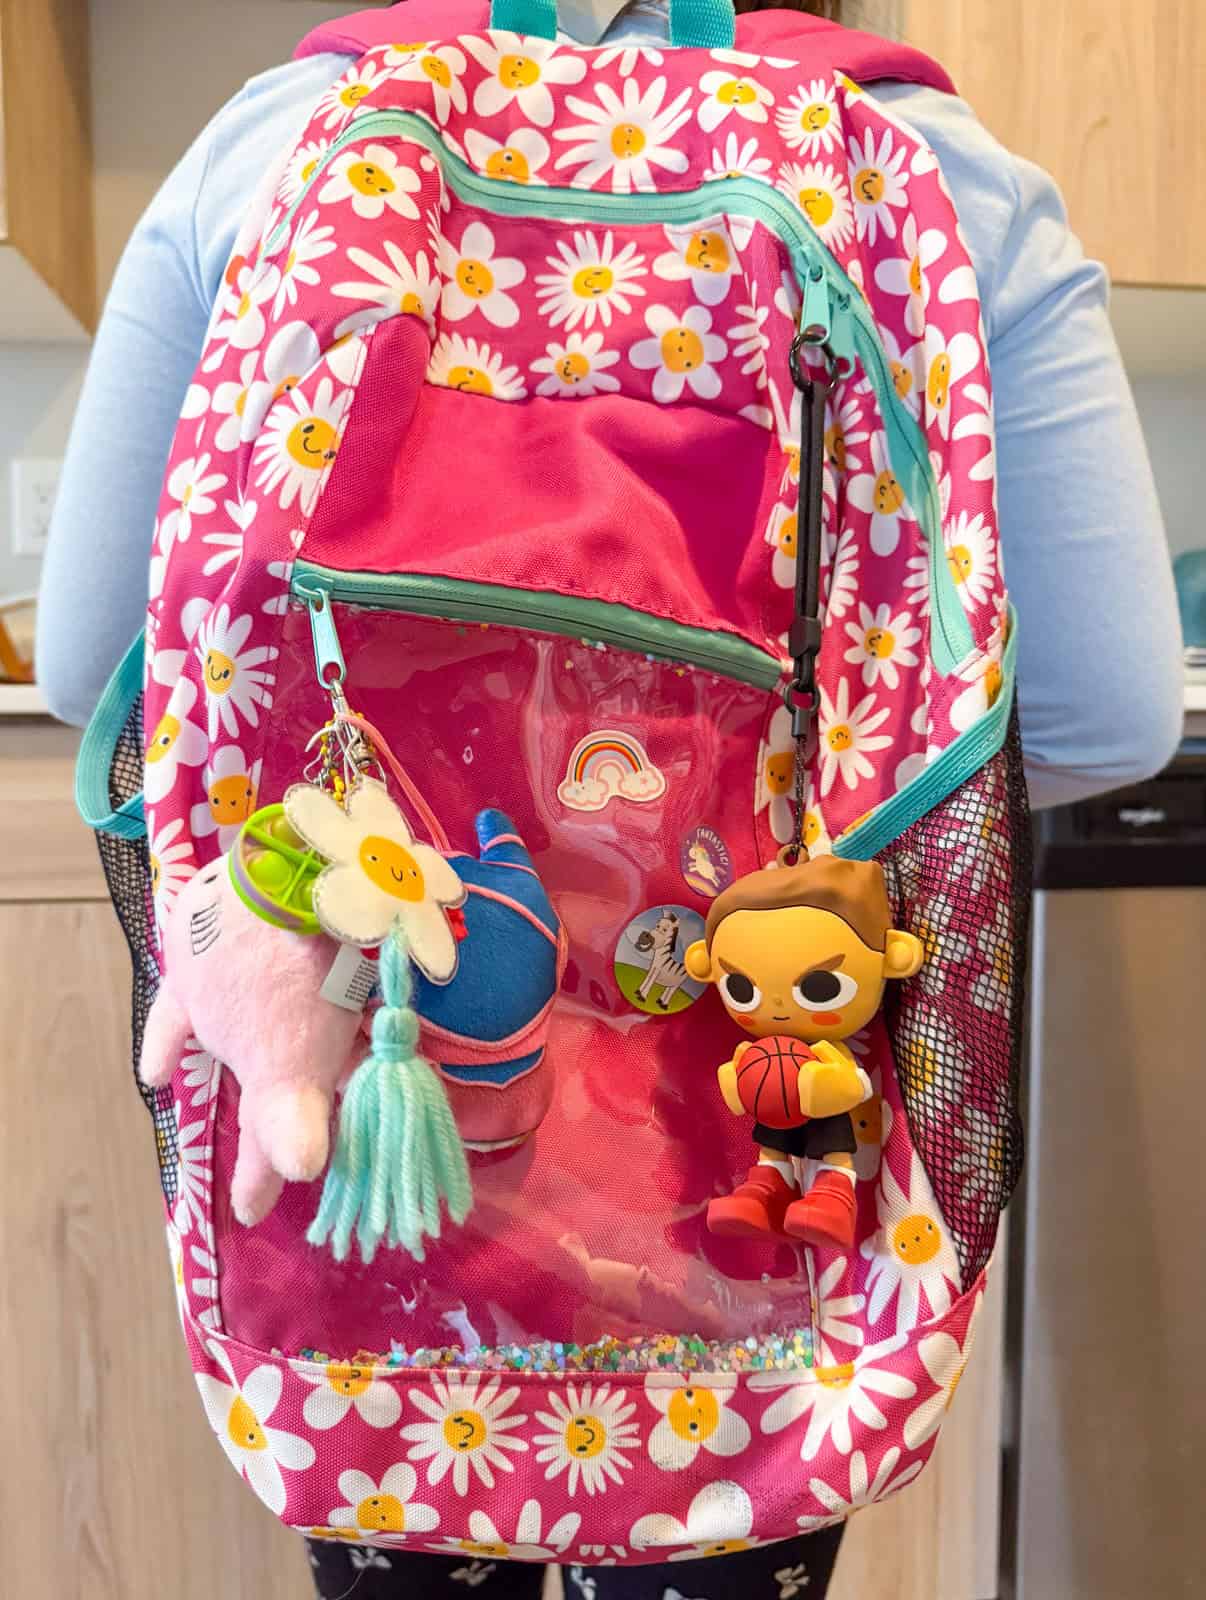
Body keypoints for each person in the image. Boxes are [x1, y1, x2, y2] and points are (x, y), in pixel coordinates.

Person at [36, 1, 1184, 1596]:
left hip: (363, 1135)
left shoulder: (278, 135)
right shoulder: (936, 165)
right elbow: (1107, 712)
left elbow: (99, 664)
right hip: (769, 1138)